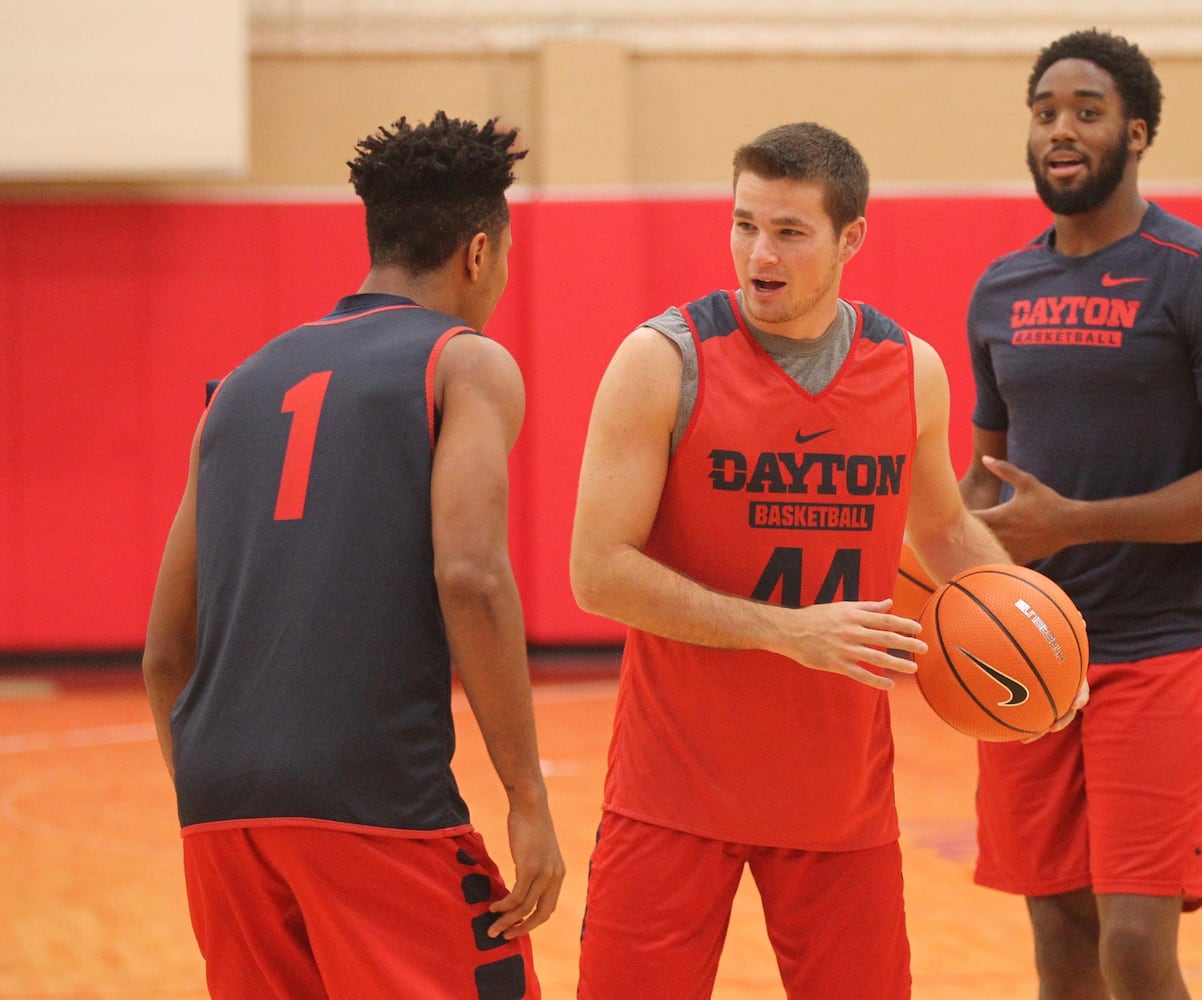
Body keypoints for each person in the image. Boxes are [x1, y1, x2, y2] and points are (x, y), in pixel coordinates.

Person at [569, 122, 1079, 1000]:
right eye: (743, 225)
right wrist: (783, 632)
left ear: (851, 239)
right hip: (672, 792)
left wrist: (1039, 627)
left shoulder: (908, 371)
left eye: (789, 232)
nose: (758, 254)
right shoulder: (663, 361)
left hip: (839, 802)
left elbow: (948, 530)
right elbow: (598, 570)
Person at [141, 111, 564, 1000]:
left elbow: (165, 653)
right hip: (375, 803)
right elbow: (472, 576)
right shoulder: (464, 362)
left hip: (219, 810)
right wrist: (527, 797)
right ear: (478, 254)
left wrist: (224, 791)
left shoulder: (239, 386)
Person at [959, 29, 1202, 1000]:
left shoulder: (1201, 275)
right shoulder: (999, 289)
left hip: (1162, 647)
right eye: (1044, 112)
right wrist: (946, 571)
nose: (1060, 129)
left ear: (1136, 133)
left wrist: (1081, 520)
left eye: (1086, 111)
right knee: (1057, 932)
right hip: (1027, 658)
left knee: (1135, 945)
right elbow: (987, 478)